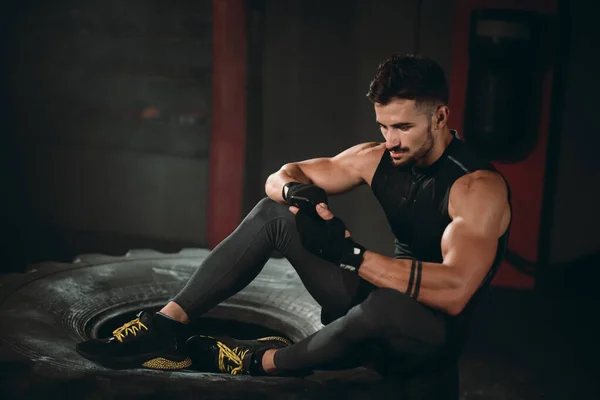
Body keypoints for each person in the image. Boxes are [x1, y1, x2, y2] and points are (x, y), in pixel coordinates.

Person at [76, 54, 511, 386]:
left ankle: (254, 360)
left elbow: (454, 291)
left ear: (439, 116)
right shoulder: (376, 157)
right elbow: (281, 176)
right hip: (372, 301)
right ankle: (165, 325)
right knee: (274, 215)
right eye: (382, 127)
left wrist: (352, 255)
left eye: (402, 127)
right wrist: (296, 192)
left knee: (385, 304)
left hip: (425, 337)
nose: (390, 140)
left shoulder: (476, 188)